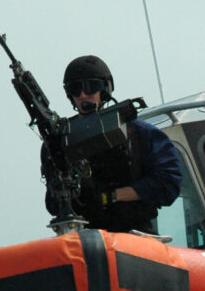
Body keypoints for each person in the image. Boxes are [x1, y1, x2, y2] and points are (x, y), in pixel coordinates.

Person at [45, 55, 182, 233]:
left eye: (91, 87)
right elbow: (53, 204)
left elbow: (168, 184)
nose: (83, 95)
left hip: (136, 238)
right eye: (75, 89)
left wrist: (110, 197)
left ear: (106, 89)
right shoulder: (60, 143)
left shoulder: (140, 133)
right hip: (86, 240)